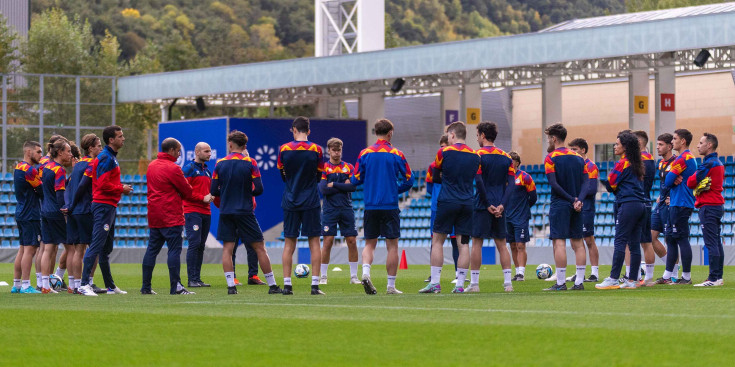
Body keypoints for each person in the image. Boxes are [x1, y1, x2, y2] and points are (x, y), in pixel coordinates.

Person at [211, 130, 281, 295]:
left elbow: (213, 189)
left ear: (230, 144)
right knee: (259, 247)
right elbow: (259, 189)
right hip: (245, 210)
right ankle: (272, 286)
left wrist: (228, 192)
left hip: (226, 211)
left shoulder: (220, 163)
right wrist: (244, 192)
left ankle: (231, 287)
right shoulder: (251, 163)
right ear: (244, 146)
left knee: (228, 248)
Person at [351, 118, 413, 295]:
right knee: (392, 245)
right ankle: (391, 286)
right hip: (390, 205)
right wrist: (395, 189)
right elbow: (410, 180)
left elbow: (355, 179)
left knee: (370, 243)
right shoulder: (397, 154)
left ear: (375, 132)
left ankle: (365, 273)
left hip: (370, 205)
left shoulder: (364, 153)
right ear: (390, 133)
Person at [142, 138, 210, 295]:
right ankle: (176, 286)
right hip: (171, 215)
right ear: (171, 150)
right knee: (174, 250)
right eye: (178, 151)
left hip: (154, 214)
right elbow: (187, 190)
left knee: (151, 250)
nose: (180, 154)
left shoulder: (151, 166)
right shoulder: (173, 168)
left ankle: (146, 287)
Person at [420, 121, 479, 294]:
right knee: (464, 245)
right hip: (467, 202)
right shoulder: (475, 155)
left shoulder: (443, 152)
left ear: (452, 135)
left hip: (447, 200)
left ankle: (435, 283)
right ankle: (460, 285)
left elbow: (436, 176)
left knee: (437, 241)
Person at [76, 125, 133, 296]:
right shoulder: (105, 158)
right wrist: (120, 188)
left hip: (109, 206)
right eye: (120, 136)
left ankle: (110, 286)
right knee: (96, 245)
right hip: (103, 205)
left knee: (105, 249)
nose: (123, 138)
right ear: (111, 140)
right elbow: (101, 183)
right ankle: (84, 284)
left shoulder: (110, 157)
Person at [277, 117, 326, 295]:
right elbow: (319, 175)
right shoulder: (316, 149)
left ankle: (287, 285)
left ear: (294, 130)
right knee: (314, 242)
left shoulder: (284, 149)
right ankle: (314, 286)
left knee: (289, 243)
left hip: (290, 199)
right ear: (309, 131)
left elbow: (282, 174)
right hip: (311, 200)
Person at [467, 121, 515, 293]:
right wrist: (502, 204)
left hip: (482, 205)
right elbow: (511, 184)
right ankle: (508, 283)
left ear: (483, 135)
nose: (477, 138)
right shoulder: (506, 157)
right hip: (500, 204)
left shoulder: (476, 155)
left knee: (477, 243)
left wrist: (487, 204)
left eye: (477, 135)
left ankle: (474, 284)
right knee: (502, 244)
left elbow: (478, 180)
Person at [596, 131, 647, 289]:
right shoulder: (637, 163)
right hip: (640, 205)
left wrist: (603, 180)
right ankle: (632, 280)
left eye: (617, 144)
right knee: (634, 244)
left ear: (625, 147)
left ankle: (613, 278)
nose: (614, 146)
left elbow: (611, 184)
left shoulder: (622, 163)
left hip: (628, 204)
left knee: (620, 240)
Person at [543, 123, 590, 291]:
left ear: (554, 138)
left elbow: (553, 184)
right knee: (578, 243)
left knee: (560, 243)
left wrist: (571, 199)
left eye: (548, 138)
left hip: (561, 203)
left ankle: (561, 282)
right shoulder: (578, 157)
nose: (548, 141)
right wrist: (579, 200)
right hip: (577, 204)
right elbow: (586, 181)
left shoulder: (550, 158)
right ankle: (579, 283)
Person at [318, 137, 360, 285]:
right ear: (329, 151)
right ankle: (323, 276)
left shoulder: (348, 167)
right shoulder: (324, 168)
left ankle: (354, 277)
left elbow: (353, 187)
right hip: (330, 210)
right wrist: (343, 185)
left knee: (352, 241)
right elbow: (323, 190)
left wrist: (334, 184)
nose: (337, 153)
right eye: (334, 150)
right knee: (328, 241)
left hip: (346, 208)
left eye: (339, 150)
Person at [67, 134, 104, 294]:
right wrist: (73, 204)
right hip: (85, 210)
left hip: (74, 212)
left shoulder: (78, 165)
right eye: (98, 145)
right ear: (90, 148)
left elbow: (69, 186)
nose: (101, 148)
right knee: (93, 247)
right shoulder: (92, 163)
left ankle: (76, 285)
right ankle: (88, 282)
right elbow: (82, 187)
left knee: (78, 249)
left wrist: (69, 206)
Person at [687, 133, 725, 287]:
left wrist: (695, 182)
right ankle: (718, 277)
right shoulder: (718, 162)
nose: (698, 145)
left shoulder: (709, 164)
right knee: (716, 241)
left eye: (701, 142)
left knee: (711, 242)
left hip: (708, 205)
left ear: (709, 145)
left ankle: (713, 278)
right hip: (716, 205)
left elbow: (691, 182)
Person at [662, 128, 697, 285]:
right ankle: (668, 275)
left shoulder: (682, 159)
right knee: (671, 237)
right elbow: (668, 179)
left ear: (683, 141)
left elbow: (668, 181)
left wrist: (672, 177)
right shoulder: (688, 157)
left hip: (681, 202)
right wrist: (671, 177)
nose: (672, 141)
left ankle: (687, 277)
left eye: (674, 139)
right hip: (678, 202)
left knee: (681, 238)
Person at [424, 135, 460, 284]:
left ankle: (459, 273)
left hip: (452, 204)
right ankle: (434, 275)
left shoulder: (456, 164)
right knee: (435, 241)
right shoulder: (433, 166)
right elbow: (429, 189)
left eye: (445, 147)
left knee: (455, 241)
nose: (442, 150)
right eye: (441, 147)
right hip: (437, 207)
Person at [11, 141, 44, 294]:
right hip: (31, 213)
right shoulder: (30, 170)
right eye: (38, 152)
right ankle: (26, 285)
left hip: (21, 211)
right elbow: (41, 191)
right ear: (29, 152)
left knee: (23, 249)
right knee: (30, 250)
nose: (41, 155)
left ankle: (16, 284)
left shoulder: (18, 167)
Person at [40, 139, 72, 293]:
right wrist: (65, 208)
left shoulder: (46, 167)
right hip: (55, 213)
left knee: (48, 248)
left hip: (45, 211)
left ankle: (45, 285)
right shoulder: (59, 170)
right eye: (68, 151)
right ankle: (74, 285)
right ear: (60, 153)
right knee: (72, 248)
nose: (70, 154)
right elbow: (60, 194)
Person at [34, 134, 65, 290]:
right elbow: (58, 192)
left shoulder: (43, 164)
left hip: (44, 207)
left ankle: (43, 282)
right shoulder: (54, 167)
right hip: (53, 209)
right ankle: (72, 283)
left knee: (45, 247)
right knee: (60, 247)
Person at [568, 138, 600, 283]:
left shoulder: (590, 166)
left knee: (588, 239)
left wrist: (576, 196)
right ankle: (579, 271)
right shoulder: (574, 166)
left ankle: (594, 273)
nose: (572, 152)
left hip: (586, 207)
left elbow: (592, 188)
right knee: (575, 240)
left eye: (574, 149)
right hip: (574, 207)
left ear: (583, 150)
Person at [183, 142, 214, 288]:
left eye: (209, 151)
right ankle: (191, 279)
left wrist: (211, 196)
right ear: (197, 152)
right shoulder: (188, 169)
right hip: (192, 211)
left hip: (206, 212)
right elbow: (185, 191)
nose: (209, 154)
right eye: (206, 151)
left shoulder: (207, 171)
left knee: (201, 245)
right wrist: (202, 198)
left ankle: (197, 278)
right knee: (194, 244)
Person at [652, 133, 679, 284]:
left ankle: (672, 273)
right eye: (657, 144)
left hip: (671, 205)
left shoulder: (677, 162)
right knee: (651, 235)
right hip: (660, 203)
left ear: (670, 146)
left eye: (661, 144)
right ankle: (672, 269)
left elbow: (682, 183)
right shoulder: (661, 163)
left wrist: (673, 198)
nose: (657, 147)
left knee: (671, 238)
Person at [505, 151, 537, 282]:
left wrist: (523, 208)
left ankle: (521, 273)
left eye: (511, 161)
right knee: (512, 245)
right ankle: (517, 271)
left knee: (520, 245)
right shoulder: (504, 178)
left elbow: (533, 197)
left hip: (520, 217)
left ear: (517, 163)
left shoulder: (525, 177)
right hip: (507, 216)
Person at [60, 142, 81, 293]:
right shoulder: (71, 175)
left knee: (71, 249)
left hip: (69, 211)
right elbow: (66, 193)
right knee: (75, 249)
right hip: (72, 213)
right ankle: (74, 284)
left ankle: (63, 280)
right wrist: (68, 206)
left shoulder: (70, 175)